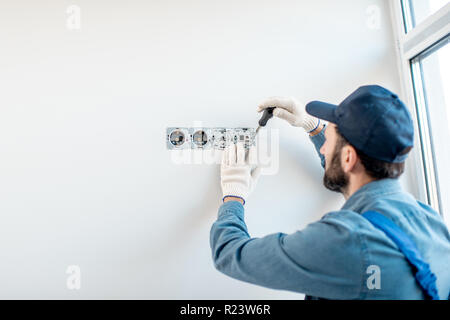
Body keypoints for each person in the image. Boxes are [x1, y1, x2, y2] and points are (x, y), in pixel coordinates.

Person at [210, 85, 450, 299]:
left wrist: (233, 195)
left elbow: (231, 255)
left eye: (329, 140)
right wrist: (312, 127)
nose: (323, 148)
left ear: (348, 158)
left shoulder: (345, 241)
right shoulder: (432, 223)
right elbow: (355, 181)